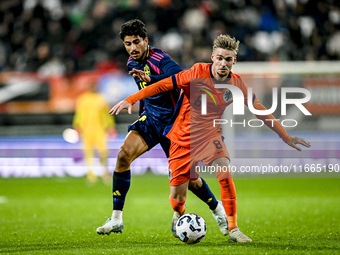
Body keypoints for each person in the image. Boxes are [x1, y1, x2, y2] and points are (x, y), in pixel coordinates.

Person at [110, 34, 312, 243]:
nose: (223, 63)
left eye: (228, 59)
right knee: (178, 198)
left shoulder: (236, 83)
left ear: (234, 61)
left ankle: (233, 228)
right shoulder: (197, 72)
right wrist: (131, 99)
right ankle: (179, 213)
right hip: (181, 137)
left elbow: (259, 110)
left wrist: (285, 136)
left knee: (224, 170)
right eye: (220, 58)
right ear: (212, 57)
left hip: (209, 136)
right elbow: (163, 85)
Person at [96, 19, 229, 238]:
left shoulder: (160, 59)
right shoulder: (131, 63)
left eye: (136, 42)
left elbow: (181, 77)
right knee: (123, 156)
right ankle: (116, 219)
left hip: (176, 124)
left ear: (146, 41)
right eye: (128, 44)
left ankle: (217, 209)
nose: (132, 48)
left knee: (191, 179)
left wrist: (152, 78)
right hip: (151, 120)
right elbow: (149, 94)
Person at [73, 82, 117, 183]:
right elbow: (79, 114)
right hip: (86, 130)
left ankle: (105, 173)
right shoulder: (83, 99)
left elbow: (106, 114)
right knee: (88, 152)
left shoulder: (100, 99)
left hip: (99, 130)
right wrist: (77, 126)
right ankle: (91, 175)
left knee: (103, 152)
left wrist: (110, 126)